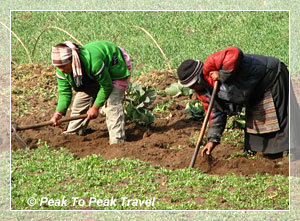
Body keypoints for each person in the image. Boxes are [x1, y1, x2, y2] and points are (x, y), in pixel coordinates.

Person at [177, 46, 289, 158]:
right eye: (190, 86)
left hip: (270, 76)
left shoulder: (211, 64)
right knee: (260, 128)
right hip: (253, 91)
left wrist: (222, 75)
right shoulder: (203, 93)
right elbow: (214, 114)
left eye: (194, 84)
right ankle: (271, 155)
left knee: (279, 119)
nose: (193, 88)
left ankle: (291, 153)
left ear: (199, 78)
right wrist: (212, 140)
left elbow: (234, 52)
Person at [50, 40, 132, 144]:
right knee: (80, 103)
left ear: (73, 61)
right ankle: (72, 136)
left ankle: (117, 141)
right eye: (58, 67)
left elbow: (107, 86)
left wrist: (95, 107)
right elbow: (64, 92)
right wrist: (58, 113)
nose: (60, 69)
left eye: (63, 66)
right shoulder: (61, 69)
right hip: (91, 76)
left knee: (112, 103)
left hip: (115, 66)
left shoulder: (93, 62)